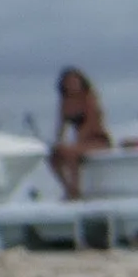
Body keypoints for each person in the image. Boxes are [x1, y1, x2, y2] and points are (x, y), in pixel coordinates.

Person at [50, 67, 111, 201]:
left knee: (71, 153)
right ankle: (67, 188)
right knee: (54, 155)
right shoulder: (65, 103)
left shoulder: (89, 98)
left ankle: (76, 189)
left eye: (74, 81)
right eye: (69, 82)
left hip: (97, 140)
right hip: (80, 141)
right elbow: (61, 126)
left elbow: (91, 123)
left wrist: (75, 143)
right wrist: (58, 142)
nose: (72, 85)